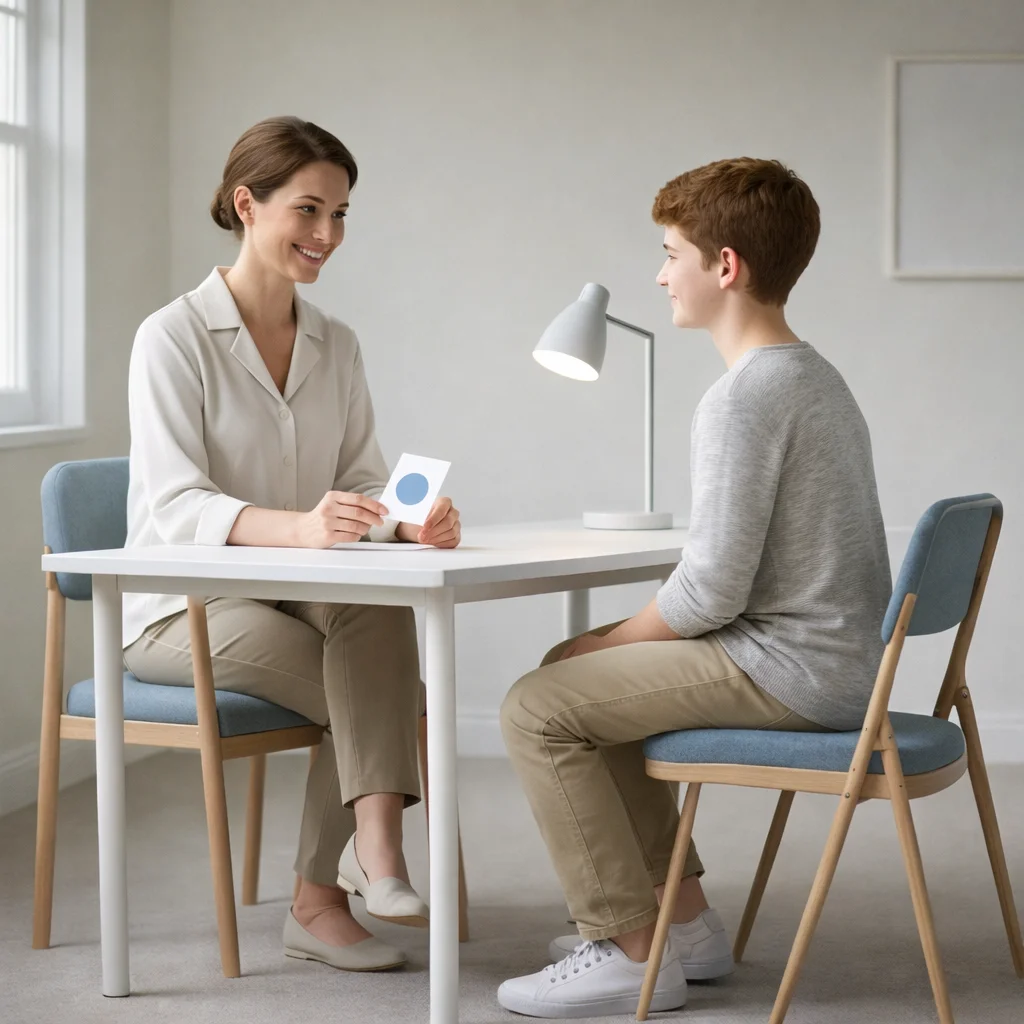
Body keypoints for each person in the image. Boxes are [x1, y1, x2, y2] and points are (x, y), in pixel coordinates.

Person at [497, 158, 891, 1017]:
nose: (660, 272)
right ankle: (685, 926)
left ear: (725, 267)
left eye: (671, 251)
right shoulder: (813, 374)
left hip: (792, 669)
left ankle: (627, 952)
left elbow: (711, 590)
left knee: (538, 703)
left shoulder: (743, 396)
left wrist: (604, 642)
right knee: (575, 682)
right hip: (836, 661)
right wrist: (601, 650)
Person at [122, 116, 462, 973]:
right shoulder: (171, 338)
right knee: (379, 690)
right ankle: (334, 888)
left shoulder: (336, 344)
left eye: (341, 214)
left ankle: (353, 871)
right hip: (182, 608)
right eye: (309, 210)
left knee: (379, 615)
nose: (327, 236)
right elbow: (175, 502)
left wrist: (408, 520)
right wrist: (306, 528)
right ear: (247, 204)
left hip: (293, 586)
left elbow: (364, 478)